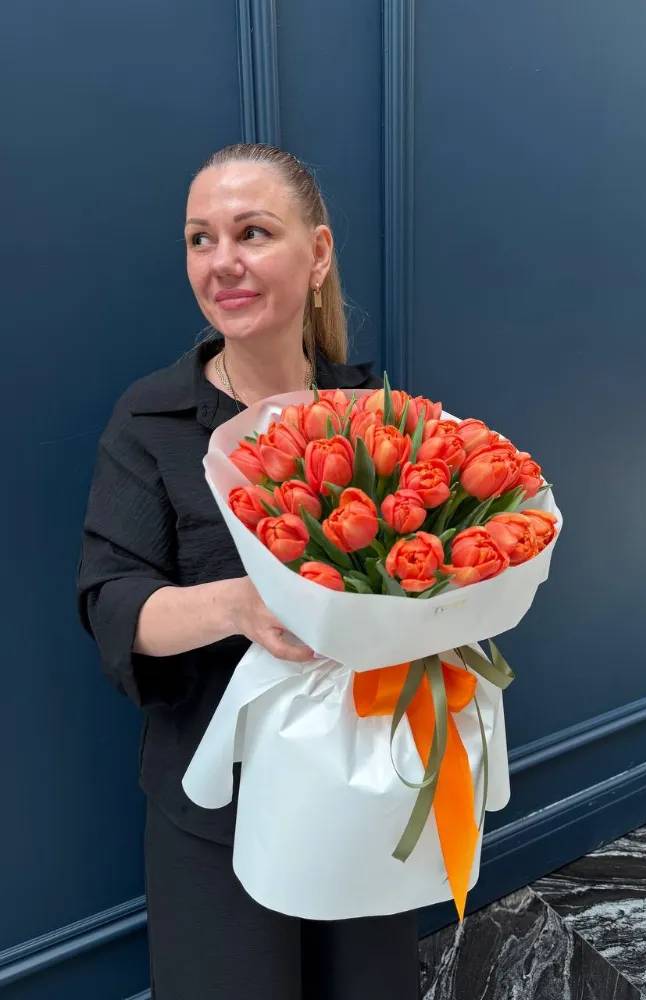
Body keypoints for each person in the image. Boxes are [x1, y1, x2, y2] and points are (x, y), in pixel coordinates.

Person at [76, 143, 422, 999]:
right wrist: (239, 605)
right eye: (201, 239)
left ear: (319, 254)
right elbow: (112, 603)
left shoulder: (371, 411)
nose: (221, 261)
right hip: (215, 805)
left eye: (252, 232)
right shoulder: (150, 418)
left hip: (359, 781)